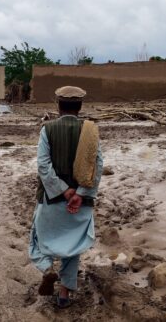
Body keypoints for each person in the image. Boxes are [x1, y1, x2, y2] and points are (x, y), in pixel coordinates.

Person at [29, 86, 103, 308]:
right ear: (80, 107)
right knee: (73, 247)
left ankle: (47, 269)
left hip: (51, 199)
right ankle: (63, 295)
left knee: (37, 238)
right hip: (80, 204)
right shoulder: (90, 130)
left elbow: (43, 165)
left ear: (57, 105)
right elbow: (97, 166)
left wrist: (62, 189)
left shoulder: (47, 129)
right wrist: (80, 194)